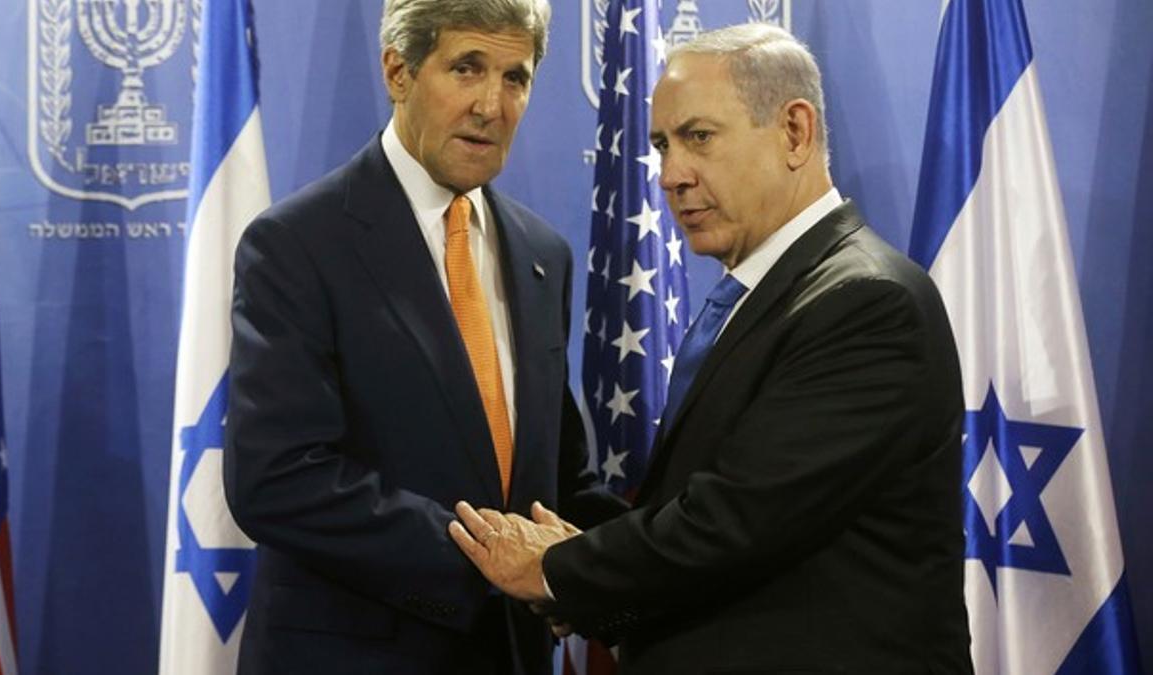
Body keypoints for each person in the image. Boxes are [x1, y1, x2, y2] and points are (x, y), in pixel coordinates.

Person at [450, 23, 973, 674]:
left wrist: (554, 569)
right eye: (663, 145)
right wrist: (595, 590)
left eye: (699, 137)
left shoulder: (866, 302)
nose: (671, 175)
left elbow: (733, 522)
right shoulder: (767, 294)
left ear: (794, 132)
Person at [223, 1, 625, 673]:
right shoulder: (298, 244)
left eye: (515, 78)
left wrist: (625, 566)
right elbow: (277, 476)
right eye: (466, 68)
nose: (491, 106)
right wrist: (496, 560)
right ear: (397, 71)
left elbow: (557, 474)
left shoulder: (541, 253)